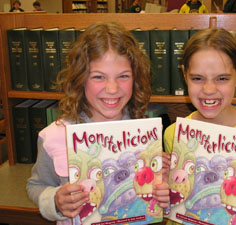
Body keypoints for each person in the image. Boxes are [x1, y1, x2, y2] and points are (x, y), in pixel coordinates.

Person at [26, 21, 170, 224]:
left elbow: (155, 197)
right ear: (80, 79)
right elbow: (36, 185)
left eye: (123, 76)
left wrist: (163, 183)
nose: (112, 88)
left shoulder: (145, 135)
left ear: (136, 79)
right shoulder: (54, 136)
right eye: (99, 77)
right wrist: (55, 201)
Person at [164, 28, 236, 225]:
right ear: (185, 75)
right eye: (197, 78)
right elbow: (173, 192)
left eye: (222, 78)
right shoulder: (173, 133)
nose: (209, 90)